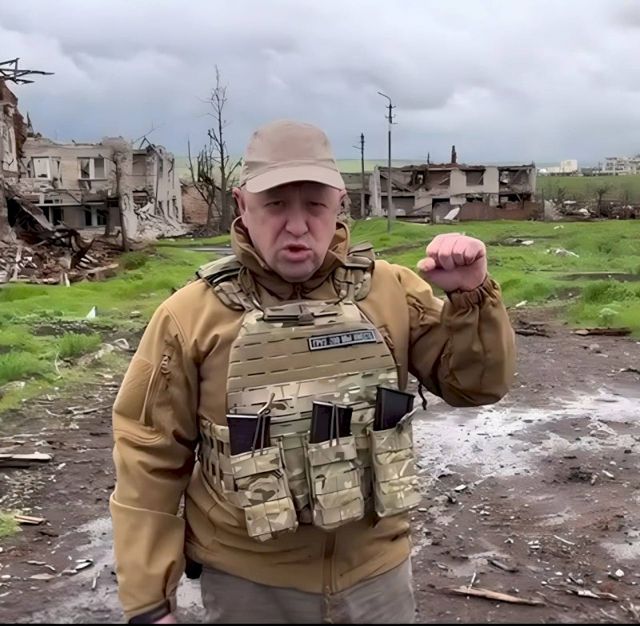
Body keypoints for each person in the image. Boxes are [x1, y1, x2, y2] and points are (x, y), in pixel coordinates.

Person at [110, 119, 516, 624]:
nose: (298, 226)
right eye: (276, 204)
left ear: (340, 204)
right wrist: (149, 603)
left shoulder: (392, 292)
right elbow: (148, 457)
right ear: (242, 205)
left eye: (315, 205)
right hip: (250, 585)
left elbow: (476, 387)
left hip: (377, 578)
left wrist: (471, 297)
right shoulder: (190, 316)